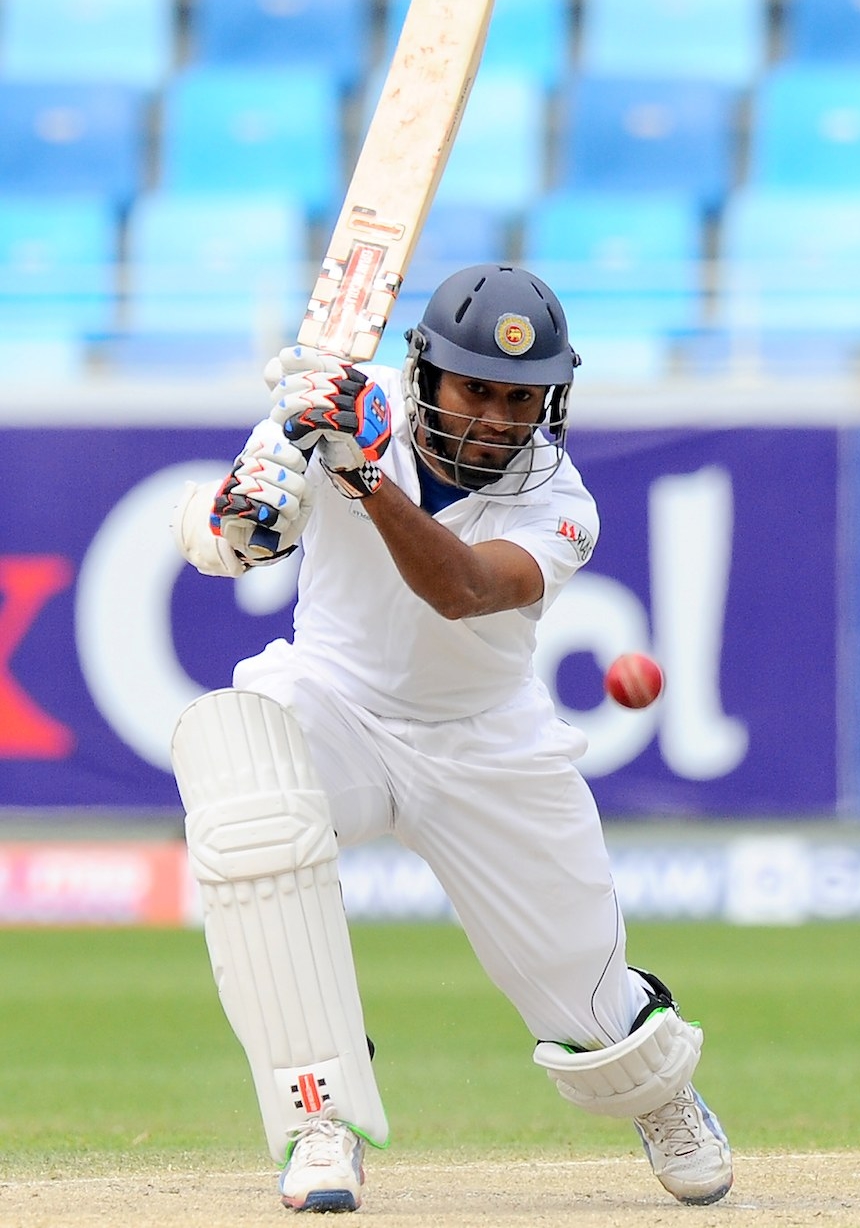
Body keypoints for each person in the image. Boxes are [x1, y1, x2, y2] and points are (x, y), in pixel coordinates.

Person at [170, 264, 733, 1214]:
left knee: (586, 994)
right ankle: (321, 1119)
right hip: (334, 702)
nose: (499, 418)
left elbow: (462, 588)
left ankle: (664, 1097)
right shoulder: (342, 402)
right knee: (245, 785)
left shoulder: (564, 503)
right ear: (425, 371)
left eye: (523, 398)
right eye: (479, 389)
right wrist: (257, 491)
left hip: (487, 740)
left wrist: (356, 472)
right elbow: (230, 545)